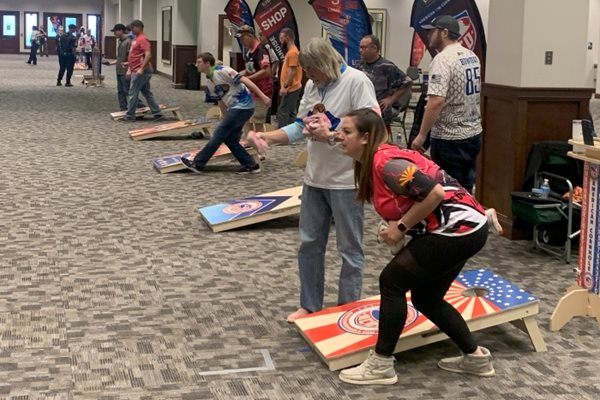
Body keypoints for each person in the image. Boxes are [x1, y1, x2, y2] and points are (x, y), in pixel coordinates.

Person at [335, 108, 494, 385]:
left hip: (459, 230)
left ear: (365, 137)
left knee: (392, 281)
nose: (339, 136)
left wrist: (400, 227)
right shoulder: (370, 161)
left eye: (346, 132)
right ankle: (476, 358)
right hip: (464, 229)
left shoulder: (388, 164)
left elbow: (434, 193)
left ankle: (381, 363)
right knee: (427, 298)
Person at [247, 38, 379, 322]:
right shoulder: (312, 86)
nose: (309, 76)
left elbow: (374, 129)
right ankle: (310, 305)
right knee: (309, 244)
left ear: (325, 63)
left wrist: (332, 137)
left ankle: (347, 310)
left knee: (350, 250)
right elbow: (300, 127)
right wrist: (265, 137)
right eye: (306, 70)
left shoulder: (357, 82)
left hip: (346, 180)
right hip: (315, 178)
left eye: (312, 70)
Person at [410, 15, 503, 234]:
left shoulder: (442, 60)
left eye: (432, 31)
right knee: (466, 184)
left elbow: (436, 101)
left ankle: (455, 230)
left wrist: (422, 135)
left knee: (449, 190)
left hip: (450, 136)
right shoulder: (471, 56)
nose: (428, 35)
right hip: (472, 132)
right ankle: (475, 222)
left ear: (443, 33)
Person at [180, 53, 270, 174]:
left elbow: (246, 80)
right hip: (235, 109)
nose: (196, 65)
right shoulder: (210, 83)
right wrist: (224, 116)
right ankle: (251, 165)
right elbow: (221, 100)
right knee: (231, 140)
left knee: (218, 134)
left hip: (244, 106)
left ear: (207, 63)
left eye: (199, 62)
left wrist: (263, 97)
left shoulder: (223, 71)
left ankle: (198, 164)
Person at [357, 34, 412, 138]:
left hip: (380, 113)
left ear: (374, 48)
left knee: (379, 142)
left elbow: (407, 82)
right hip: (363, 111)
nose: (361, 50)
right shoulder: (359, 65)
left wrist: (392, 99)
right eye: (360, 47)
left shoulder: (387, 66)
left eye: (364, 47)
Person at [124, 19, 164, 122]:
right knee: (147, 92)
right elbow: (135, 55)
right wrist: (129, 66)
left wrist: (141, 68)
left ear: (139, 27)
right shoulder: (136, 39)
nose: (131, 30)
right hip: (136, 69)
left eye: (133, 27)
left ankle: (130, 115)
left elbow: (148, 54)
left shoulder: (142, 39)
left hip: (140, 70)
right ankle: (158, 113)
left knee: (133, 92)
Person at [235, 25, 273, 133]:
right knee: (247, 119)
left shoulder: (261, 50)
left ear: (251, 36)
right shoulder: (249, 51)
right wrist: (236, 75)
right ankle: (248, 143)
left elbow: (266, 71)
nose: (241, 41)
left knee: (257, 121)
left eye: (243, 38)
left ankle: (261, 145)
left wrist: (248, 79)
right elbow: (249, 69)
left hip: (262, 91)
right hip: (251, 91)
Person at [276, 28, 303, 128]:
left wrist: (285, 87)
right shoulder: (292, 52)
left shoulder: (292, 53)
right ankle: (291, 135)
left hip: (291, 88)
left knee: (283, 111)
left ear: (287, 38)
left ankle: (281, 135)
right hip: (293, 87)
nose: (280, 40)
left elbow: (292, 72)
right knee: (291, 112)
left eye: (281, 38)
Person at [259, 34, 280, 124]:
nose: (260, 37)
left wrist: (270, 75)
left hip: (268, 79)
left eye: (261, 35)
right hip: (262, 79)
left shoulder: (269, 48)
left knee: (267, 103)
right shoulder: (261, 47)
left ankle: (267, 122)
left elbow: (275, 61)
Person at [112, 23, 132, 111]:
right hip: (119, 69)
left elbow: (131, 57)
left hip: (125, 70)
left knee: (127, 90)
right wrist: (113, 62)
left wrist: (129, 69)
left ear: (120, 30)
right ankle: (123, 108)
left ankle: (139, 106)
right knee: (120, 91)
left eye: (115, 31)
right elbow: (120, 57)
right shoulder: (120, 41)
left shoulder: (129, 42)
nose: (114, 34)